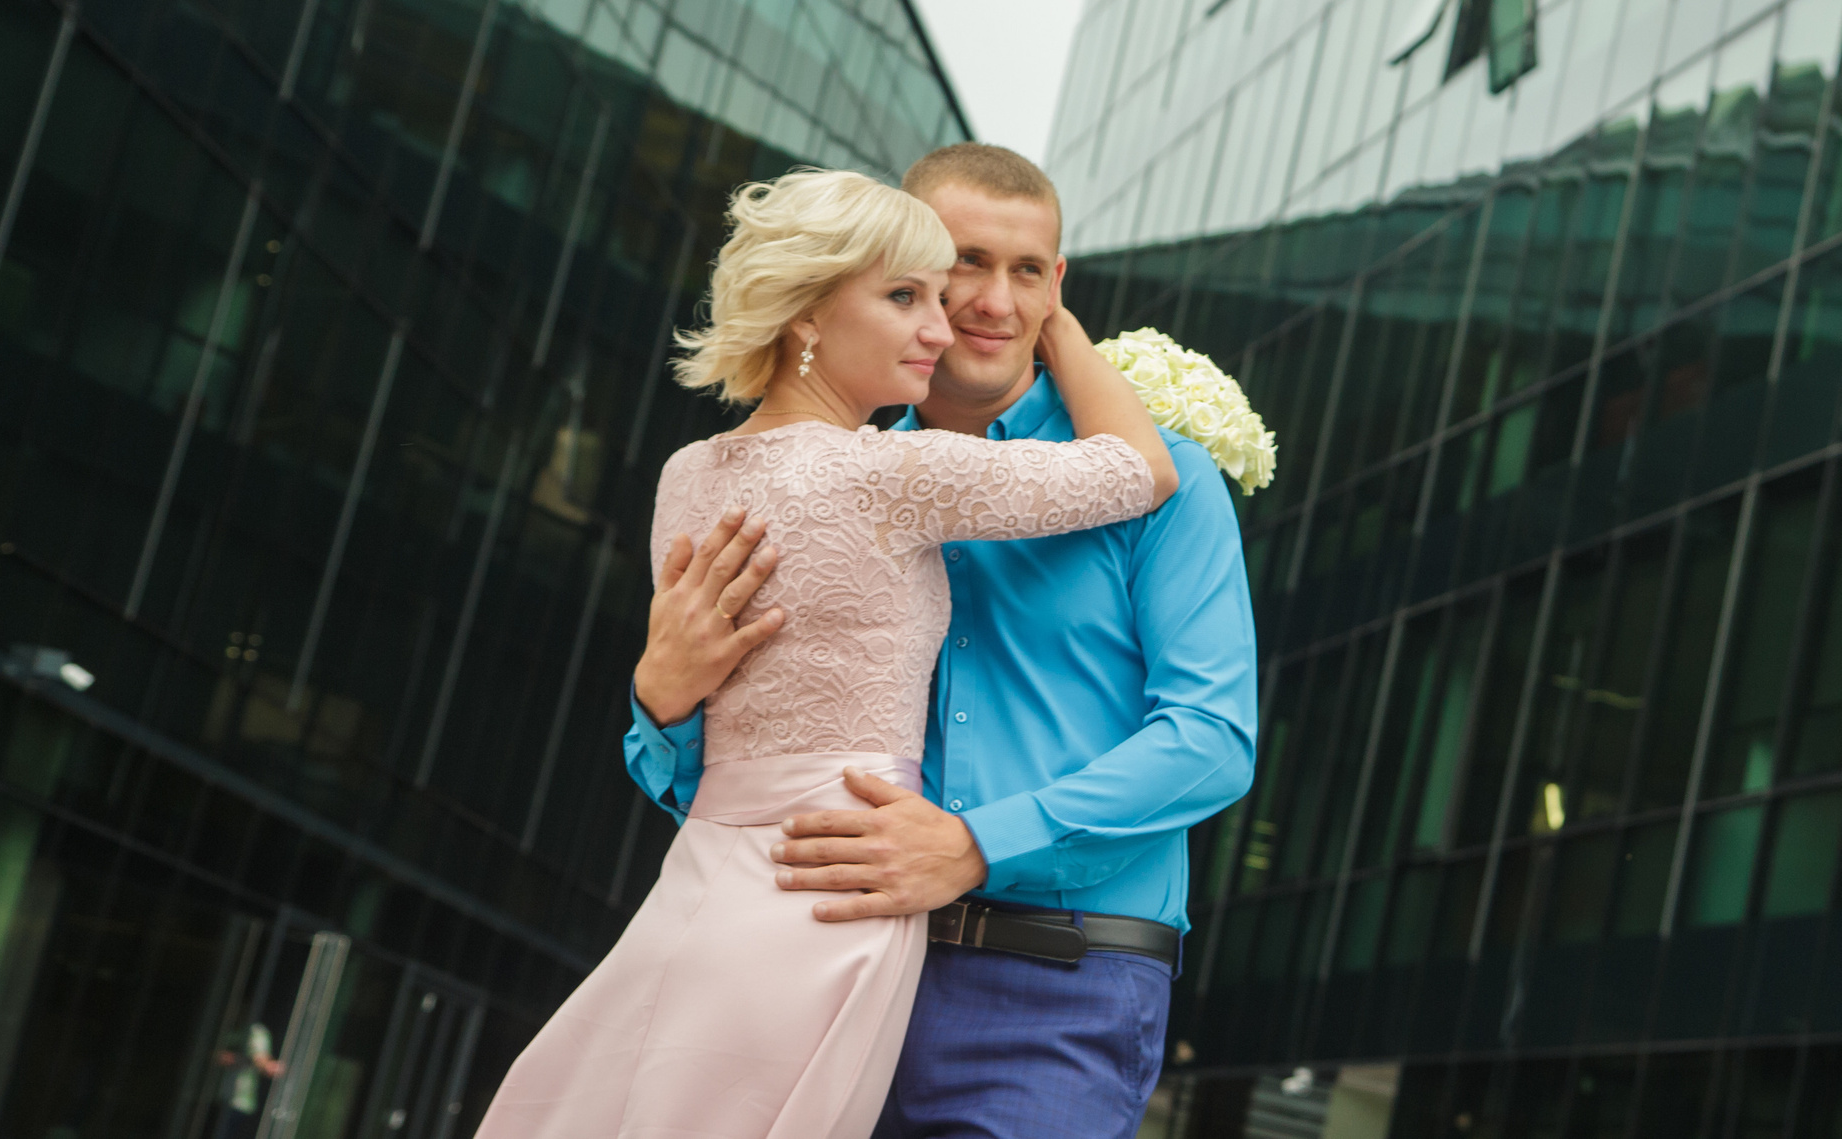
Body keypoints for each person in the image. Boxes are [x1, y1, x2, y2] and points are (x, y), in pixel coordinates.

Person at [475, 166, 1177, 1139]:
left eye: (940, 298)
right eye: (906, 297)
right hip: (832, 893)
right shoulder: (894, 473)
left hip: (705, 883)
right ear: (805, 316)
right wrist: (1052, 321)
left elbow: (707, 718)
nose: (940, 326)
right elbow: (1141, 470)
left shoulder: (686, 475)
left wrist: (655, 695)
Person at [622, 144, 1258, 1139]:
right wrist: (662, 701)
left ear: (1059, 290)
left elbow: (1213, 740)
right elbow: (718, 775)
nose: (993, 302)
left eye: (1028, 271)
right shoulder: (806, 476)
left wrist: (974, 843)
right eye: (964, 262)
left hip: (1056, 988)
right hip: (821, 963)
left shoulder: (1163, 482)